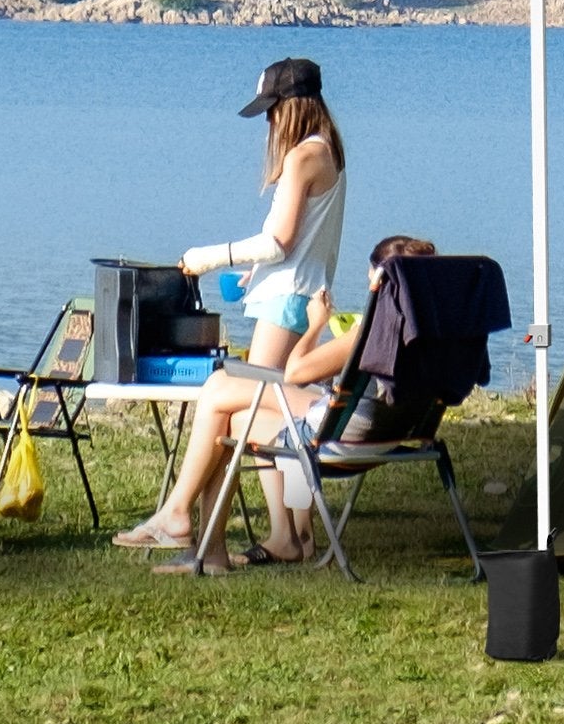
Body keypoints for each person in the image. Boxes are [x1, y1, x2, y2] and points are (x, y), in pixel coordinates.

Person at [113, 236, 437, 573]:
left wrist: (316, 326)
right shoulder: (438, 330)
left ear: (380, 280)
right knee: (229, 413)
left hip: (344, 434)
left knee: (221, 396)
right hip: (389, 431)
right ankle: (209, 543)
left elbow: (295, 373)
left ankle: (186, 524)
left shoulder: (372, 332)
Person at [176, 56, 347, 555]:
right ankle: (291, 531)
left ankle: (236, 539)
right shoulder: (331, 152)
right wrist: (256, 272)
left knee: (246, 410)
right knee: (268, 417)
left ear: (293, 107)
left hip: (286, 300)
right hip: (296, 292)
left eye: (273, 110)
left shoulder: (302, 159)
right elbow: (305, 240)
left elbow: (278, 242)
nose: (270, 123)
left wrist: (209, 257)